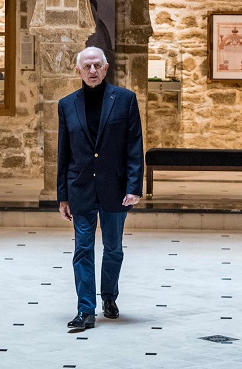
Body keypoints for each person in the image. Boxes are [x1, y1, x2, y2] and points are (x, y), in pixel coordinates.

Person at [57, 46, 144, 330]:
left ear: (105, 68)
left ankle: (109, 296)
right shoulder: (67, 104)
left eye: (97, 66)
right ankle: (85, 310)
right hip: (80, 188)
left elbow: (134, 147)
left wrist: (134, 187)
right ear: (78, 71)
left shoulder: (125, 100)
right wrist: (62, 196)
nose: (92, 71)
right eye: (87, 67)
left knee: (114, 248)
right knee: (82, 249)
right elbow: (63, 153)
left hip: (115, 188)